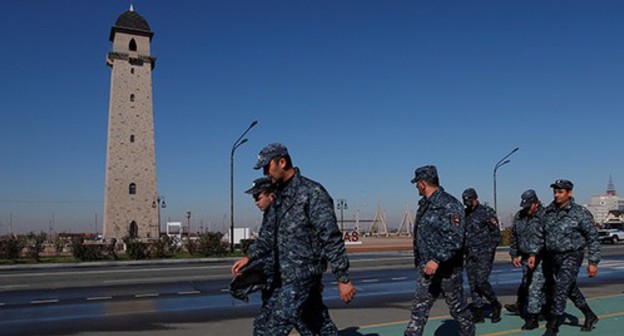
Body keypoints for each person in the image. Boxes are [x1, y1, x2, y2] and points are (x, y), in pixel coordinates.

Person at [232, 143, 355, 336]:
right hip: (281, 277)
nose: (266, 173)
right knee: (314, 325)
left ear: (282, 162)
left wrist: (343, 278)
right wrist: (250, 257)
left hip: (303, 276)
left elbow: (330, 237)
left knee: (270, 328)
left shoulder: (311, 192)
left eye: (267, 167)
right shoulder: (279, 197)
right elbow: (267, 237)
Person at [405, 165, 475, 336]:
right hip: (427, 271)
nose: (416, 187)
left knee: (458, 309)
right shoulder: (425, 205)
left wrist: (436, 259)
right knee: (418, 311)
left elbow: (455, 238)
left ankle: (468, 332)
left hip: (448, 271)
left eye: (417, 184)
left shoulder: (449, 205)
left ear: (422, 184)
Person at [540, 179, 600, 336]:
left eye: (560, 192)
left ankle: (552, 327)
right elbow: (541, 235)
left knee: (560, 288)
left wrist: (593, 262)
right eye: (555, 191)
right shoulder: (548, 212)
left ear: (569, 193)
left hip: (572, 255)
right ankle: (590, 315)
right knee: (570, 289)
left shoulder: (580, 213)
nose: (556, 195)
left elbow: (592, 238)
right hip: (553, 257)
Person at [507, 189, 547, 330]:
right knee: (527, 283)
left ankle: (533, 318)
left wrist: (534, 253)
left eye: (529, 206)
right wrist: (514, 254)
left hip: (542, 258)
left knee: (534, 287)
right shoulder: (519, 216)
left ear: (536, 203)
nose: (527, 209)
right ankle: (542, 310)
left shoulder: (545, 215)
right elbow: (514, 237)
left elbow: (546, 238)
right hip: (525, 258)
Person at [462, 188, 502, 324]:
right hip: (469, 254)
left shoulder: (487, 212)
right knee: (473, 284)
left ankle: (494, 303)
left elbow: (496, 234)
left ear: (475, 199)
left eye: (469, 201)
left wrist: (489, 250)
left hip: (484, 253)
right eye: (465, 202)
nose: (467, 204)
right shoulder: (465, 213)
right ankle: (478, 312)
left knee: (481, 281)